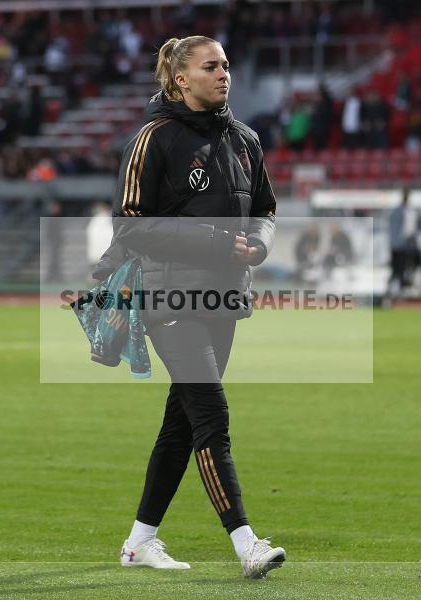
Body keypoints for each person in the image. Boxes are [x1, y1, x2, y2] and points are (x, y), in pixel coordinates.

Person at [98, 35, 284, 579]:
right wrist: (216, 242)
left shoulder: (245, 140)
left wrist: (259, 244)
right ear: (180, 79)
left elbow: (266, 208)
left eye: (225, 65)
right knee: (211, 416)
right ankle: (246, 543)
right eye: (210, 66)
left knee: (181, 425)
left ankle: (139, 542)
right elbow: (129, 223)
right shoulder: (153, 138)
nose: (223, 74)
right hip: (168, 296)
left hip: (224, 296)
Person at [384, 188, 418, 305]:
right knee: (397, 270)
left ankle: (396, 293)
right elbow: (406, 230)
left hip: (403, 246)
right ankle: (391, 294)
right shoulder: (400, 212)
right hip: (399, 246)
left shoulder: (405, 211)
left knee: (401, 270)